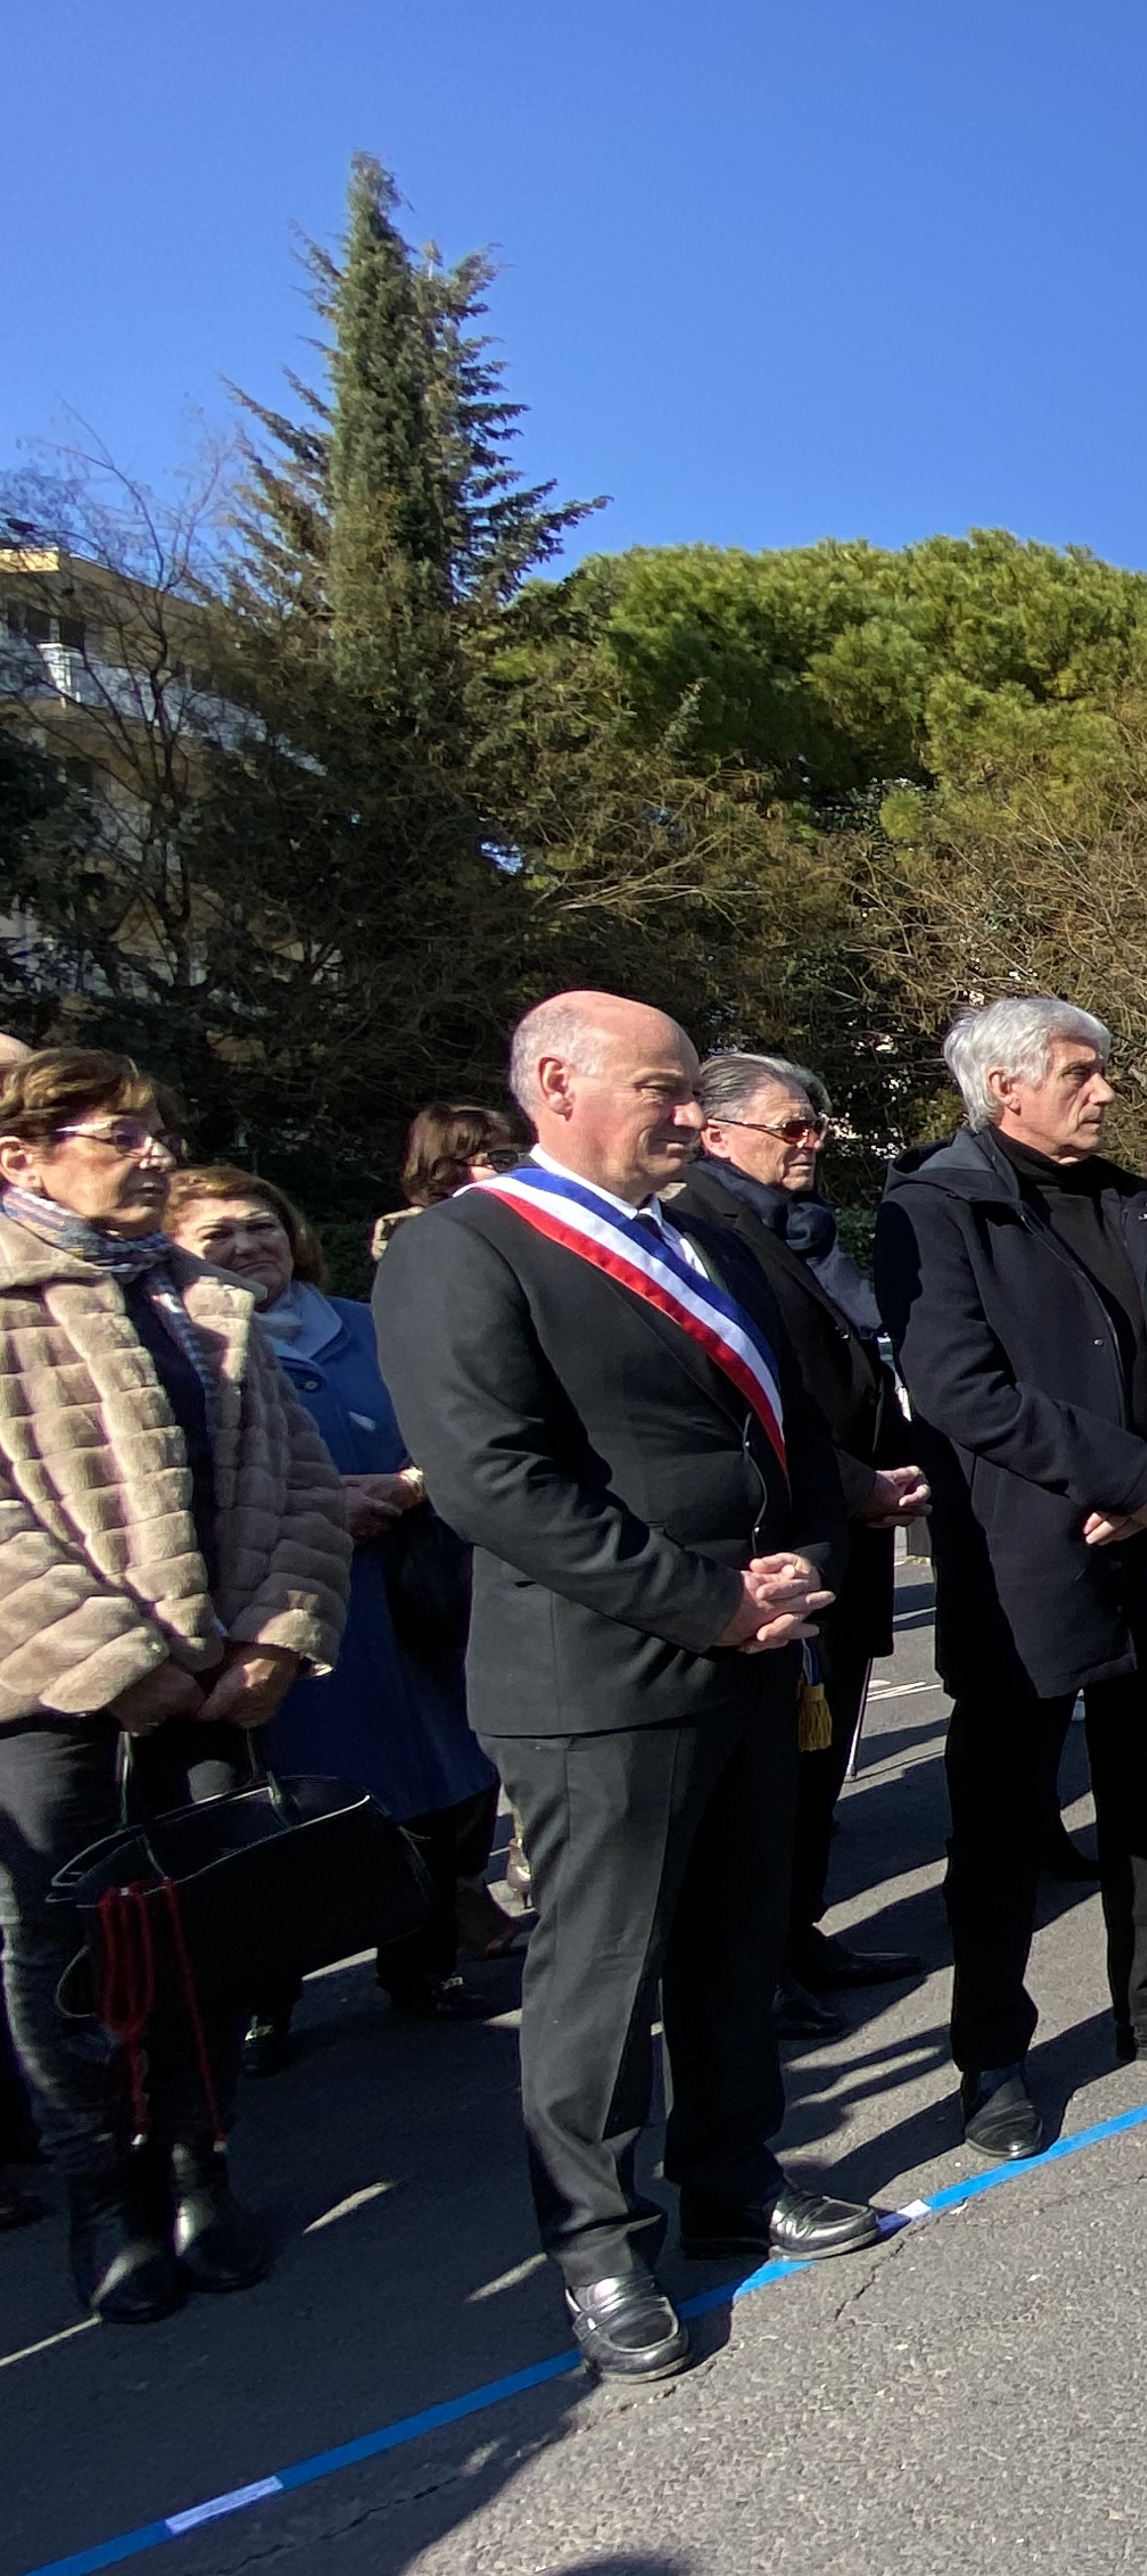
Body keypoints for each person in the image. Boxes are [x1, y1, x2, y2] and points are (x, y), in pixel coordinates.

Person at [377, 996, 878, 2378]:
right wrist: (707, 1600)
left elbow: (776, 1416)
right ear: (555, 1082)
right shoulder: (465, 1251)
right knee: (603, 1971)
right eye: (660, 1088)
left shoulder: (704, 1237)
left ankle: (731, 2179)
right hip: (602, 1675)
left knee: (733, 1941)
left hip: (756, 1652)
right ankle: (599, 2243)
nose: (683, 1112)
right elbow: (496, 1484)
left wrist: (805, 1549)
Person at [877, 998, 1147, 2169]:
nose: (1103, 1093)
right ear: (1005, 1087)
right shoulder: (932, 1209)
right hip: (1024, 1558)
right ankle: (992, 2055)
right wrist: (1121, 1473)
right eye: (1078, 1074)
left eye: (1102, 1072)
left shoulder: (1126, 1205)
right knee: (1001, 1826)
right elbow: (960, 1388)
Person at [3, 1055, 353, 2324]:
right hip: (54, 1693)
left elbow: (303, 1485)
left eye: (158, 1131)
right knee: (65, 1949)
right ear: (23, 1159)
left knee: (204, 1925)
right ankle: (108, 2193)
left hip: (215, 1679)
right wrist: (119, 1658)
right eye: (116, 1136)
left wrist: (274, 1632)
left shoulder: (207, 1298)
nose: (151, 1153)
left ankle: (206, 2167)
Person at [168, 1165, 505, 2053]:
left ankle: (424, 1968)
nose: (246, 1248)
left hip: (412, 1591)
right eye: (218, 1236)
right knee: (280, 1819)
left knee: (437, 1789)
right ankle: (266, 2002)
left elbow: (447, 1425)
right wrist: (320, 1507)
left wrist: (409, 1483)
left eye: (261, 1227)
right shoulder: (182, 1345)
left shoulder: (364, 1325)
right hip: (283, 1609)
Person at [669, 1053, 932, 2029]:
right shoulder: (702, 1224)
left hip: (842, 1534)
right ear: (718, 1132)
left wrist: (891, 1468)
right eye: (791, 1127)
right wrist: (847, 1481)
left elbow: (858, 1360)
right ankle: (752, 1969)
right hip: (777, 1540)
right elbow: (758, 1392)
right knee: (764, 1779)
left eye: (816, 1124)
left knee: (819, 1765)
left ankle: (797, 1931)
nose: (811, 1142)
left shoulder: (806, 1230)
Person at [368, 1101, 519, 1263]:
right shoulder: (426, 1242)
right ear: (449, 1171)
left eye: (526, 1157)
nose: (521, 1168)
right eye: (503, 1160)